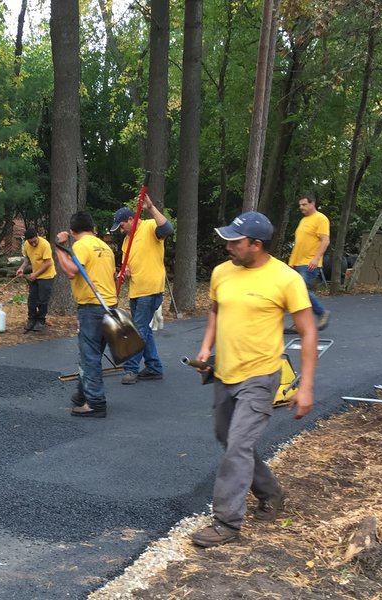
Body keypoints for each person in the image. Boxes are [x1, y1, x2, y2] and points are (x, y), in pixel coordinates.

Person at [190, 211, 318, 548]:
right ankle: (270, 492)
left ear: (256, 244)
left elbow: (308, 332)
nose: (228, 246)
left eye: (235, 241)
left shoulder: (286, 279)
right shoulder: (222, 272)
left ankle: (227, 522)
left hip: (260, 376)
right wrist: (205, 348)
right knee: (227, 437)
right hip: (224, 372)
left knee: (238, 445)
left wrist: (305, 387)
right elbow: (216, 311)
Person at [54, 211, 116, 418]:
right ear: (92, 228)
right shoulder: (105, 247)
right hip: (109, 305)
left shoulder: (81, 246)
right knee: (93, 353)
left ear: (72, 231)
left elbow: (72, 271)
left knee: (89, 356)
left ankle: (95, 403)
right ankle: (82, 394)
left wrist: (59, 248)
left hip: (91, 307)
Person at [109, 194, 173, 384]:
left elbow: (167, 229)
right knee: (144, 330)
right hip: (136, 290)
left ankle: (131, 369)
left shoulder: (149, 227)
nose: (121, 231)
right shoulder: (126, 241)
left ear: (131, 219)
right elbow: (126, 265)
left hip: (151, 289)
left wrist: (151, 208)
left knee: (138, 330)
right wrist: (125, 271)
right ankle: (154, 367)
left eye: (122, 226)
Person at [287, 194, 331, 330]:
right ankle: (299, 323)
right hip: (297, 263)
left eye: (304, 204)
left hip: (309, 263)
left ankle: (321, 312)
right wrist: (291, 263)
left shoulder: (321, 218)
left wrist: (316, 259)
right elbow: (300, 243)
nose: (301, 207)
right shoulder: (304, 220)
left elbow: (325, 240)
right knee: (294, 293)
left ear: (313, 204)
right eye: (300, 205)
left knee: (300, 290)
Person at [15, 228, 56, 333]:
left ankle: (40, 321)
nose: (33, 244)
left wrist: (35, 274)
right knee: (32, 299)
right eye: (30, 242)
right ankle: (31, 319)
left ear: (37, 236)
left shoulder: (45, 245)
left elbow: (48, 263)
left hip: (47, 275)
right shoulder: (26, 245)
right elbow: (27, 259)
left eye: (34, 241)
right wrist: (21, 268)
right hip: (35, 275)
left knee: (43, 299)